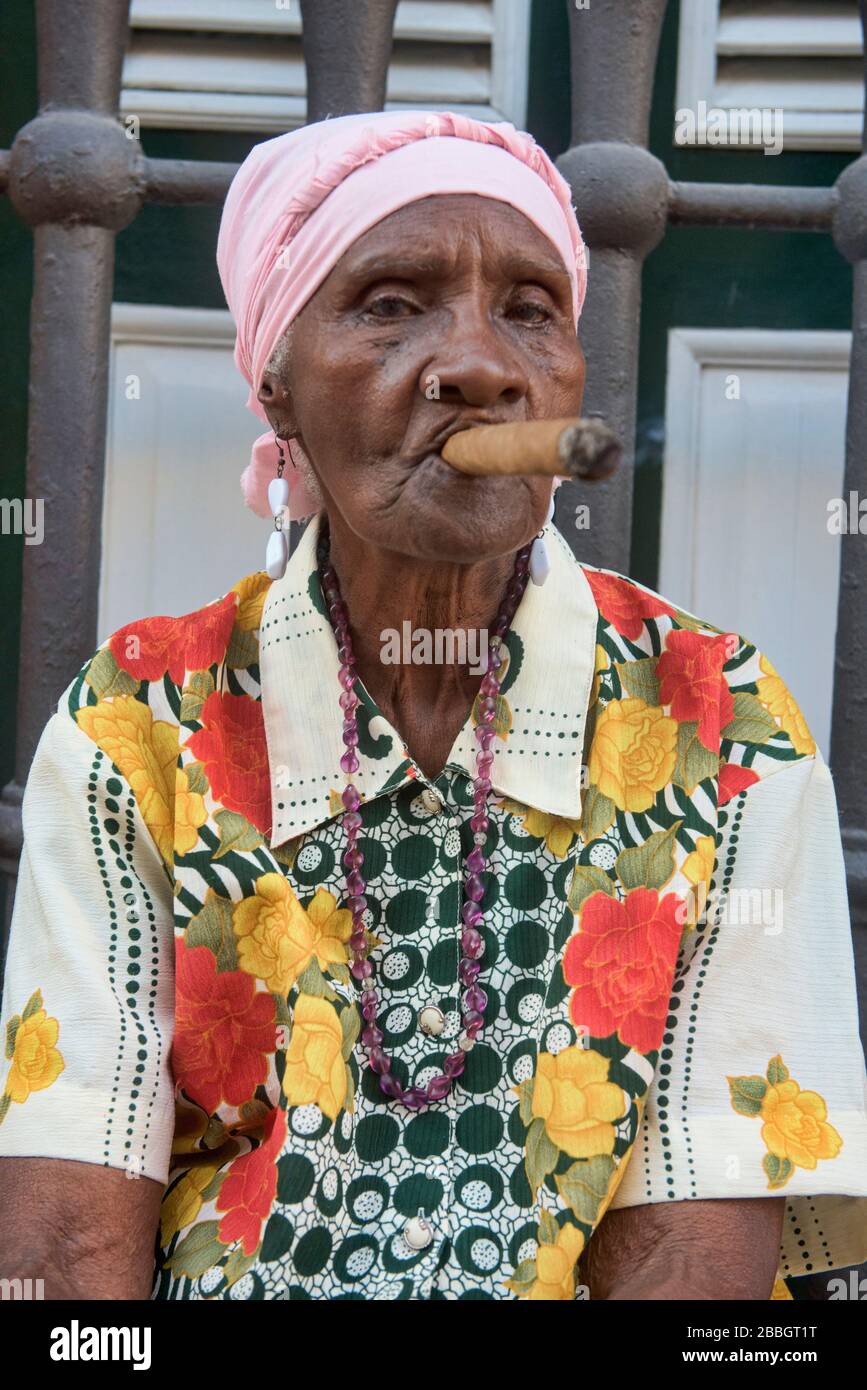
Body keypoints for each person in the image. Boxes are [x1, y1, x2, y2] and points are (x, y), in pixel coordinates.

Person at [0, 109, 865, 1302]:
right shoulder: (138, 726)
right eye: (393, 302)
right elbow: (60, 1250)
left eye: (527, 310)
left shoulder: (723, 721)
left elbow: (696, 1262)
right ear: (277, 386)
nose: (483, 366)